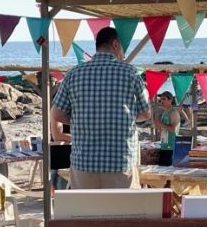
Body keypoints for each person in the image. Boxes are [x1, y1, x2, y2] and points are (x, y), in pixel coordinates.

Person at [52, 26, 152, 189]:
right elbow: (146, 113)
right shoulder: (130, 73)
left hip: (83, 161)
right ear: (115, 44)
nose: (123, 54)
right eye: (122, 48)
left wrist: (81, 119)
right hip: (120, 161)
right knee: (122, 213)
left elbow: (57, 113)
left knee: (86, 213)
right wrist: (121, 117)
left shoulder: (74, 73)